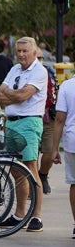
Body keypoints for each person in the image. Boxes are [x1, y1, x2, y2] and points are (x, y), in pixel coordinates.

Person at [0, 36, 47, 232]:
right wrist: (13, 95)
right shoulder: (15, 69)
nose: (22, 55)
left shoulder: (39, 72)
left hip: (29, 122)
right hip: (12, 123)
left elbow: (22, 95)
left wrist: (11, 95)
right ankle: (19, 214)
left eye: (26, 51)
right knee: (16, 170)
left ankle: (37, 217)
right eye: (19, 51)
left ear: (34, 53)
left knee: (31, 168)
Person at [50, 73, 75, 238]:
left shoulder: (67, 86)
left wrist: (54, 149)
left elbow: (59, 120)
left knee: (74, 183)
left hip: (73, 141)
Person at [38, 49, 58, 194]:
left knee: (49, 151)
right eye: (37, 57)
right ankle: (32, 183)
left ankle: (43, 175)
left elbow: (54, 92)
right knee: (29, 155)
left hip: (48, 117)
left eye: (41, 57)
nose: (39, 60)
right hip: (29, 117)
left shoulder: (49, 72)